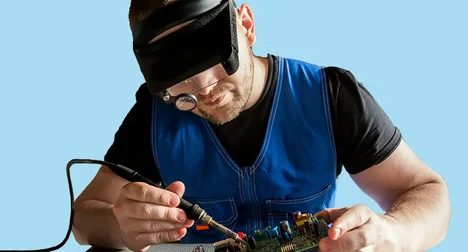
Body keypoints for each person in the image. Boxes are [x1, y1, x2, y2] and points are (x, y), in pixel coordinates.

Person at [72, 0, 451, 251]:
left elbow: (429, 192)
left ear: (247, 25)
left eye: (214, 60)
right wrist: (120, 225)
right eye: (180, 78)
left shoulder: (329, 95)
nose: (205, 91)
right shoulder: (155, 114)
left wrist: (394, 233)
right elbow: (84, 216)